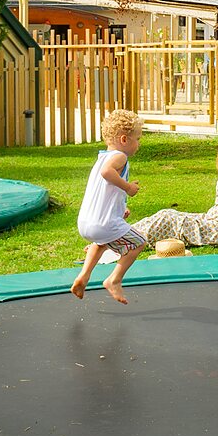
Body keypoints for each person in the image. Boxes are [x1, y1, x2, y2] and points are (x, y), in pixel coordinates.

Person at [131, 126, 218, 249]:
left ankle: (131, 240)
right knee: (166, 213)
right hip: (211, 218)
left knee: (171, 220)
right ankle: (127, 233)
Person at [71, 109, 146, 304]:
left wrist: (120, 210)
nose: (138, 144)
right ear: (124, 139)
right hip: (103, 224)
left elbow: (105, 192)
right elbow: (107, 173)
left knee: (101, 242)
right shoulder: (119, 157)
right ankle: (114, 280)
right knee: (139, 242)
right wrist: (128, 187)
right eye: (137, 138)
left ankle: (84, 276)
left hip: (86, 223)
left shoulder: (101, 158)